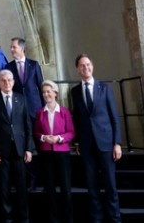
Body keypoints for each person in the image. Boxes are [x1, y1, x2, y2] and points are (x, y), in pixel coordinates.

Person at [71, 54, 122, 223]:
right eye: (82, 65)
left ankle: (115, 218)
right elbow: (77, 118)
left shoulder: (104, 88)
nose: (86, 68)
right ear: (78, 69)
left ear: (92, 66)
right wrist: (77, 141)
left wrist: (117, 143)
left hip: (106, 142)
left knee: (110, 184)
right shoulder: (75, 91)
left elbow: (114, 116)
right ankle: (96, 219)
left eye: (88, 64)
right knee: (92, 186)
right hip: (87, 144)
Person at [0, 70, 33, 222]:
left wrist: (29, 148)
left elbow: (27, 126)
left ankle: (24, 218)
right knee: (4, 187)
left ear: (13, 82)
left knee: (21, 187)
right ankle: (7, 218)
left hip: (20, 150)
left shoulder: (21, 98)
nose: (7, 83)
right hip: (1, 151)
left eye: (9, 80)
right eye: (3, 80)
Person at [35, 80, 74, 223]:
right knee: (49, 188)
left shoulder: (64, 112)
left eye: (48, 91)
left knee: (65, 188)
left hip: (62, 152)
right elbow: (37, 133)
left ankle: (68, 219)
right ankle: (53, 219)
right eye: (44, 92)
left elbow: (71, 133)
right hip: (46, 152)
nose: (46, 94)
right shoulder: (40, 112)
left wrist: (59, 138)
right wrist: (44, 137)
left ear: (55, 93)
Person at [6, 37, 43, 189]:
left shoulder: (34, 65)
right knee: (23, 147)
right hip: (18, 112)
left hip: (35, 110)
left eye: (14, 47)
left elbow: (41, 87)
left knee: (40, 145)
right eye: (11, 47)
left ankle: (44, 179)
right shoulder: (9, 67)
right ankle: (30, 179)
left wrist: (44, 110)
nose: (11, 49)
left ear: (22, 48)